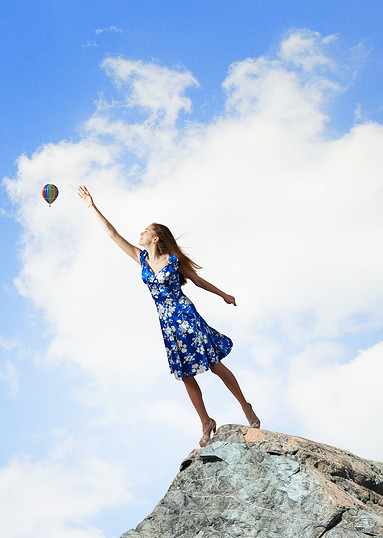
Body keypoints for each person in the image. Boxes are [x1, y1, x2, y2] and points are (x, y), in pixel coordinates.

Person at [78, 185, 260, 447]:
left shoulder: (173, 260)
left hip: (185, 315)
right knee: (186, 374)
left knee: (214, 365)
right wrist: (91, 206)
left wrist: (223, 294)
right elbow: (112, 234)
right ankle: (206, 421)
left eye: (146, 231)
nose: (140, 233)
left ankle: (246, 405)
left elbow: (196, 281)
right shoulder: (141, 259)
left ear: (156, 239)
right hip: (167, 324)